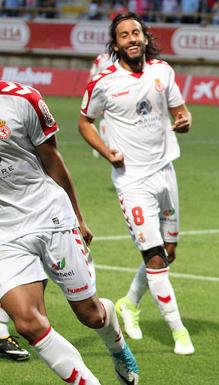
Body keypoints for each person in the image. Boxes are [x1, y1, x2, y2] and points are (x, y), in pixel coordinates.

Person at [0, 80, 139, 384]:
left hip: (49, 216)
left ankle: (116, 344)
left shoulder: (22, 100)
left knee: (91, 316)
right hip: (5, 233)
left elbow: (51, 159)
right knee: (27, 323)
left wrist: (78, 217)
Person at [78, 12, 195, 355]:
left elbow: (181, 112)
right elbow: (84, 122)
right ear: (115, 45)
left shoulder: (163, 71)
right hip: (132, 181)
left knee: (168, 252)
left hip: (165, 172)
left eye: (136, 33)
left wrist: (185, 120)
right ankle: (179, 332)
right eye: (124, 35)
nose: (131, 39)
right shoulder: (104, 82)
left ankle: (128, 303)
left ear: (145, 38)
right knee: (155, 257)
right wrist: (106, 150)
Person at [88, 52, 115, 158]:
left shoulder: (101, 57)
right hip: (102, 89)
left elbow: (92, 76)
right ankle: (102, 145)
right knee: (102, 116)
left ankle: (104, 145)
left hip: (110, 89)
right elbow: (93, 76)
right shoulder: (102, 58)